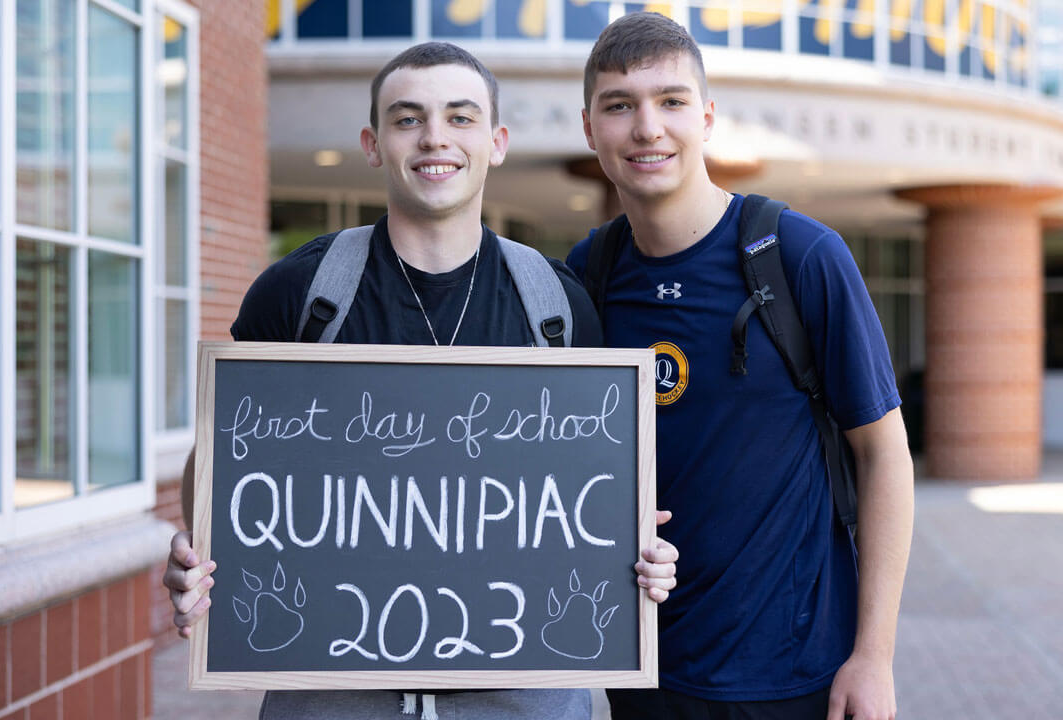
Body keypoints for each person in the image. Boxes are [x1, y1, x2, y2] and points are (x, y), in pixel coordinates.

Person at [163, 42, 679, 720]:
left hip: (523, 690)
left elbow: (590, 488)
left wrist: (639, 556)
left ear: (496, 142)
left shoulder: (554, 304)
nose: (435, 136)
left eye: (460, 117)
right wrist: (202, 552)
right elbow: (224, 459)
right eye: (408, 119)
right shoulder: (302, 293)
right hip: (331, 688)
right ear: (373, 143)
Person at [565, 13, 914, 720]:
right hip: (644, 673)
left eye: (671, 101)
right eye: (619, 106)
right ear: (589, 128)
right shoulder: (587, 276)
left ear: (707, 117)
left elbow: (884, 456)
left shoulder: (799, 257)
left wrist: (873, 657)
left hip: (794, 674)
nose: (647, 128)